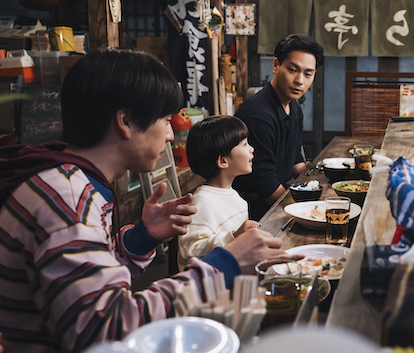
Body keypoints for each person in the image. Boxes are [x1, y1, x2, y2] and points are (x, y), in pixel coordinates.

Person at [0, 49, 302, 353]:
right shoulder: (65, 198)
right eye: (165, 120)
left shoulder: (71, 181)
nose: (170, 134)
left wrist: (138, 239)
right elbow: (106, 329)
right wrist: (225, 264)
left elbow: (88, 281)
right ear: (126, 121)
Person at [234, 34, 324, 219]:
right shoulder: (258, 113)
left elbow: (296, 162)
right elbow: (263, 182)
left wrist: (320, 177)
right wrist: (303, 212)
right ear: (276, 65)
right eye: (293, 70)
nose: (300, 80)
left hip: (278, 195)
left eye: (308, 74)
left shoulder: (295, 108)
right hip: (252, 207)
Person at [178, 115, 261, 270]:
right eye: (244, 144)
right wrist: (234, 236)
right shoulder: (202, 201)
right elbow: (190, 249)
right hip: (207, 286)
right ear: (223, 161)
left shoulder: (234, 196)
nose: (251, 149)